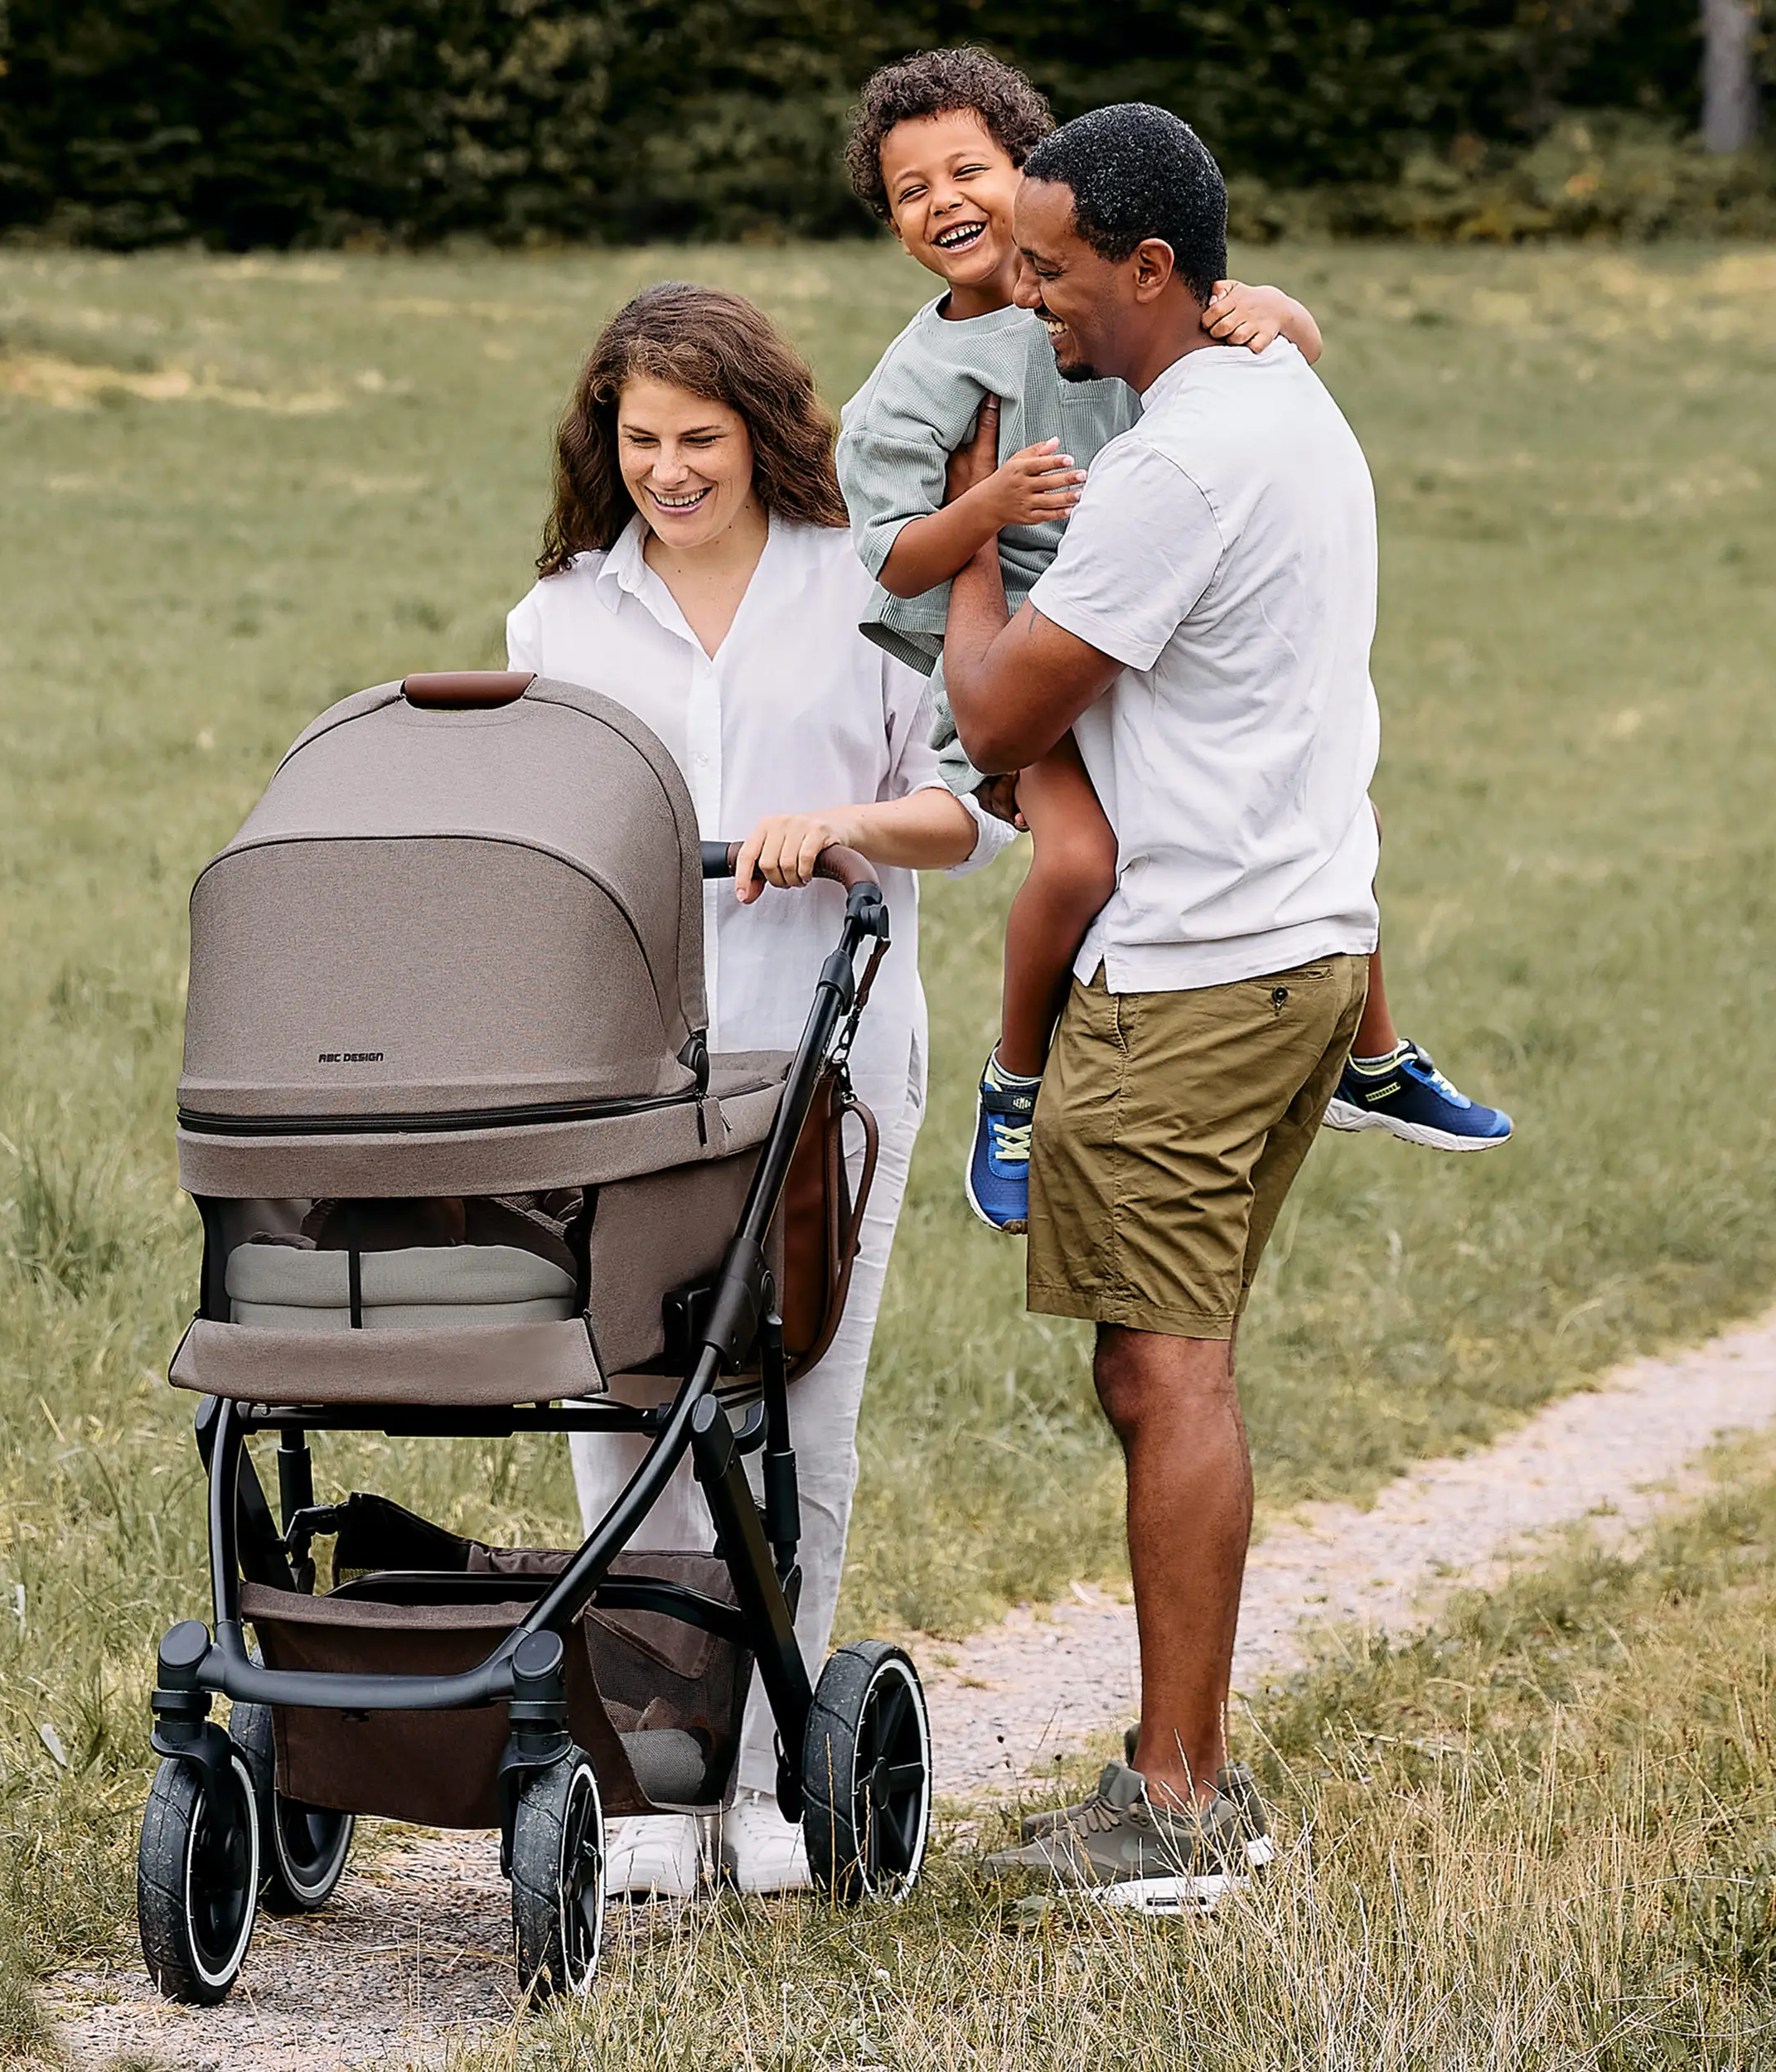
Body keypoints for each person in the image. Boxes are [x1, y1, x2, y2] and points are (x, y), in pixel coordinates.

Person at [938, 101, 1389, 1905]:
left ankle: (1177, 1798)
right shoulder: (1276, 396)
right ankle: (1183, 1769)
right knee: (1168, 1360)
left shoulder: (1175, 465)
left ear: (1147, 273)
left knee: (1160, 1369)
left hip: (1190, 972)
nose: (1022, 291)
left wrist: (963, 550)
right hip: (1295, 948)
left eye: (1049, 268)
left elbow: (995, 716)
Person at [835, 50, 1510, 1238]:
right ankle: (1011, 1087)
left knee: (1343, 817)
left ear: (1033, 175)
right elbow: (892, 560)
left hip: (1151, 627)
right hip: (1017, 660)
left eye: (969, 169)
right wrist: (981, 513)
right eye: (908, 189)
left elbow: (1276, 335)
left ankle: (1373, 1056)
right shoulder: (914, 385)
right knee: (1082, 861)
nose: (943, 201)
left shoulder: (1112, 289)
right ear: (888, 222)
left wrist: (1278, 311)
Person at [504, 283, 994, 1899]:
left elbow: (962, 810)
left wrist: (830, 817)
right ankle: (652, 1783)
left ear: (763, 433)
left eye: (697, 438)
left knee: (796, 1413)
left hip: (830, 1064)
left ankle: (774, 1783)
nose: (666, 469)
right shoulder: (561, 616)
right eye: (638, 440)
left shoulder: (864, 585)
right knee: (627, 1414)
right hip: (624, 1075)